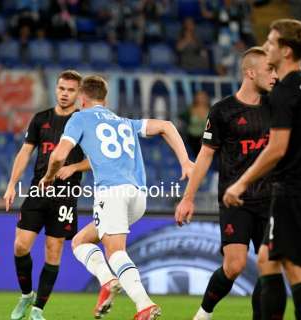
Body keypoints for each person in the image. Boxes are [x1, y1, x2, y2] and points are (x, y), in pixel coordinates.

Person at [223, 19, 301, 320]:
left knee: (296, 271)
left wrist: (240, 184)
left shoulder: (285, 91)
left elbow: (277, 148)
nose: (266, 46)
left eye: (271, 42)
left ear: (287, 50)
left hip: (293, 191)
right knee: (268, 259)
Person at [40, 75, 191, 320]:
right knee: (80, 242)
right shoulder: (124, 122)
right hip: (138, 197)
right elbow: (166, 126)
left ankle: (145, 304)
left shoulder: (79, 117)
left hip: (112, 193)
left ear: (82, 97)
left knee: (115, 253)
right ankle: (108, 280)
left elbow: (58, 155)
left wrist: (48, 177)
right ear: (105, 98)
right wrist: (185, 161)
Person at [175, 46, 278, 320]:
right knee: (234, 266)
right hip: (235, 201)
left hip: (271, 199)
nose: (275, 75)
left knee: (270, 270)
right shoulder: (223, 111)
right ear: (250, 72)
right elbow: (206, 156)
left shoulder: (277, 106)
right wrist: (188, 198)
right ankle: (203, 314)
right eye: (270, 69)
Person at [2, 70, 90, 320]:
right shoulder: (41, 119)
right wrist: (11, 185)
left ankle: (38, 309)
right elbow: (24, 153)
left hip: (66, 195)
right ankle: (27, 294)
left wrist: (73, 167)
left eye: (71, 90)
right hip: (38, 190)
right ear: (56, 89)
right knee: (20, 246)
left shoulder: (83, 122)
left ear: (78, 94)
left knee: (53, 251)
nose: (65, 94)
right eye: (62, 88)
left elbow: (96, 160)